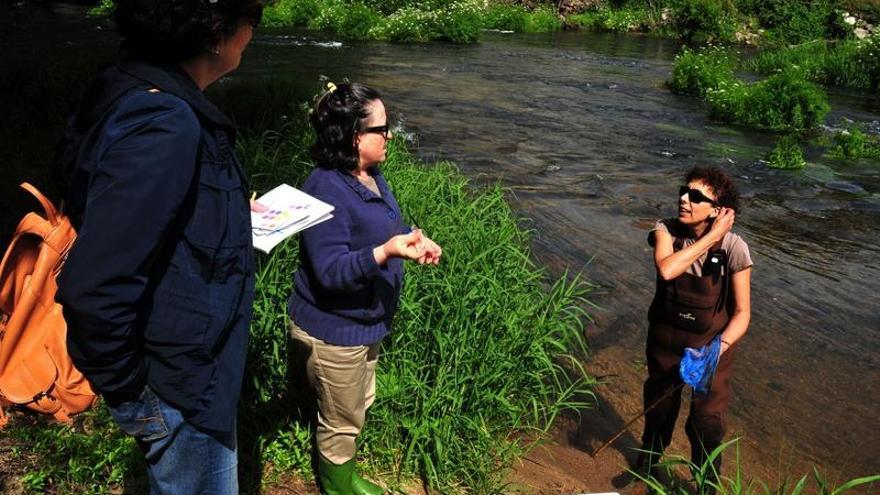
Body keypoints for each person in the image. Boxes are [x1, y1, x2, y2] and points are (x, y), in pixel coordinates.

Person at [53, 1, 265, 493]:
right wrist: (134, 395)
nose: (253, 36)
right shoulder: (165, 121)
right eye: (252, 22)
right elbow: (95, 286)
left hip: (182, 369)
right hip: (183, 385)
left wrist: (228, 212)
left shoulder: (128, 84)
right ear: (218, 32)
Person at [288, 82, 442, 495]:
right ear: (356, 135)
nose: (390, 135)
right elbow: (331, 271)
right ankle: (337, 486)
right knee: (341, 420)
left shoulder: (370, 175)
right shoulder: (325, 188)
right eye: (382, 128)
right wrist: (386, 251)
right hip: (335, 331)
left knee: (356, 403)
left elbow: (382, 229)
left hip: (364, 324)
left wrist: (411, 238)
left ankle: (343, 473)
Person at [638, 166, 752, 482]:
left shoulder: (734, 248)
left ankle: (705, 484)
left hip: (712, 346)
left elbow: (742, 313)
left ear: (717, 210)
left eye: (697, 196)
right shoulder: (665, 230)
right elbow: (667, 270)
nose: (685, 199)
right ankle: (646, 470)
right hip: (665, 342)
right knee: (658, 411)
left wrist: (717, 349)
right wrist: (712, 235)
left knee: (705, 422)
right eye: (684, 192)